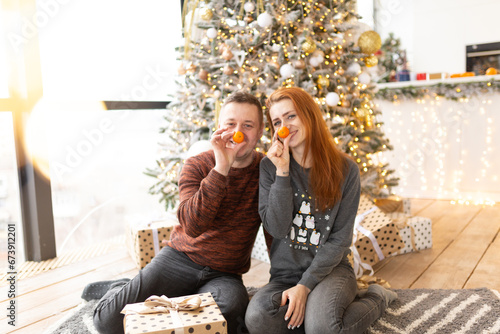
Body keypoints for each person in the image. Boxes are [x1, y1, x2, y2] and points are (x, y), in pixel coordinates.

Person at [84, 91, 268, 334]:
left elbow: (275, 226)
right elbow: (193, 225)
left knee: (230, 311)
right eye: (231, 124)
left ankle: (171, 296)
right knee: (107, 323)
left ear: (261, 131)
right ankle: (120, 287)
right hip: (179, 259)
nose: (239, 132)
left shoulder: (267, 170)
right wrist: (222, 167)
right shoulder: (197, 164)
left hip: (225, 274)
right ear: (219, 127)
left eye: (248, 125)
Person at [245, 87, 397, 334]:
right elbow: (277, 228)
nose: (284, 126)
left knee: (322, 328)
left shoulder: (346, 170)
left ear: (309, 115)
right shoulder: (270, 166)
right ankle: (314, 308)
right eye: (277, 122)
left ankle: (377, 297)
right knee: (258, 319)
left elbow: (339, 241)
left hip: (331, 271)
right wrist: (283, 172)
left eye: (291, 116)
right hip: (284, 275)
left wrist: (305, 286)